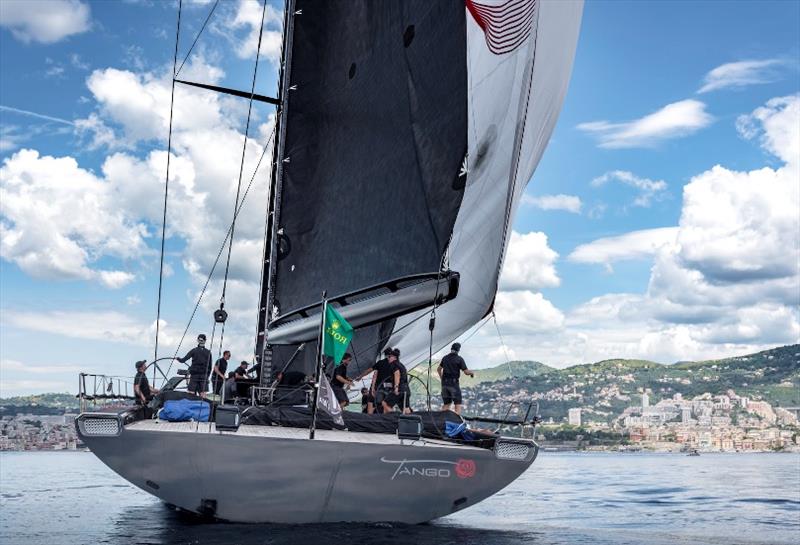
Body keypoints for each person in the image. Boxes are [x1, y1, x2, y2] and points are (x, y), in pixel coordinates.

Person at [357, 348, 399, 414]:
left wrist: (360, 376)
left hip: (378, 387)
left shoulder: (380, 363)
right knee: (386, 404)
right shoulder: (396, 365)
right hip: (389, 388)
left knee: (372, 402)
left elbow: (372, 372)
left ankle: (369, 417)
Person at [437, 342, 474, 415]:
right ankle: (456, 424)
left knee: (446, 404)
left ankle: (441, 421)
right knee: (457, 405)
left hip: (444, 385)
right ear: (458, 350)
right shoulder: (459, 359)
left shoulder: (445, 358)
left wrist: (442, 379)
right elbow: (466, 372)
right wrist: (472, 373)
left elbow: (438, 369)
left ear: (451, 349)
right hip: (453, 384)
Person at [391, 348, 412, 414]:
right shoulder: (401, 365)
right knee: (405, 408)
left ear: (394, 357)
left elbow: (397, 374)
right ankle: (412, 421)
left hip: (400, 389)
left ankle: (388, 420)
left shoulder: (394, 364)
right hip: (406, 389)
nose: (388, 358)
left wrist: (396, 387)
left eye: (389, 356)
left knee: (385, 403)